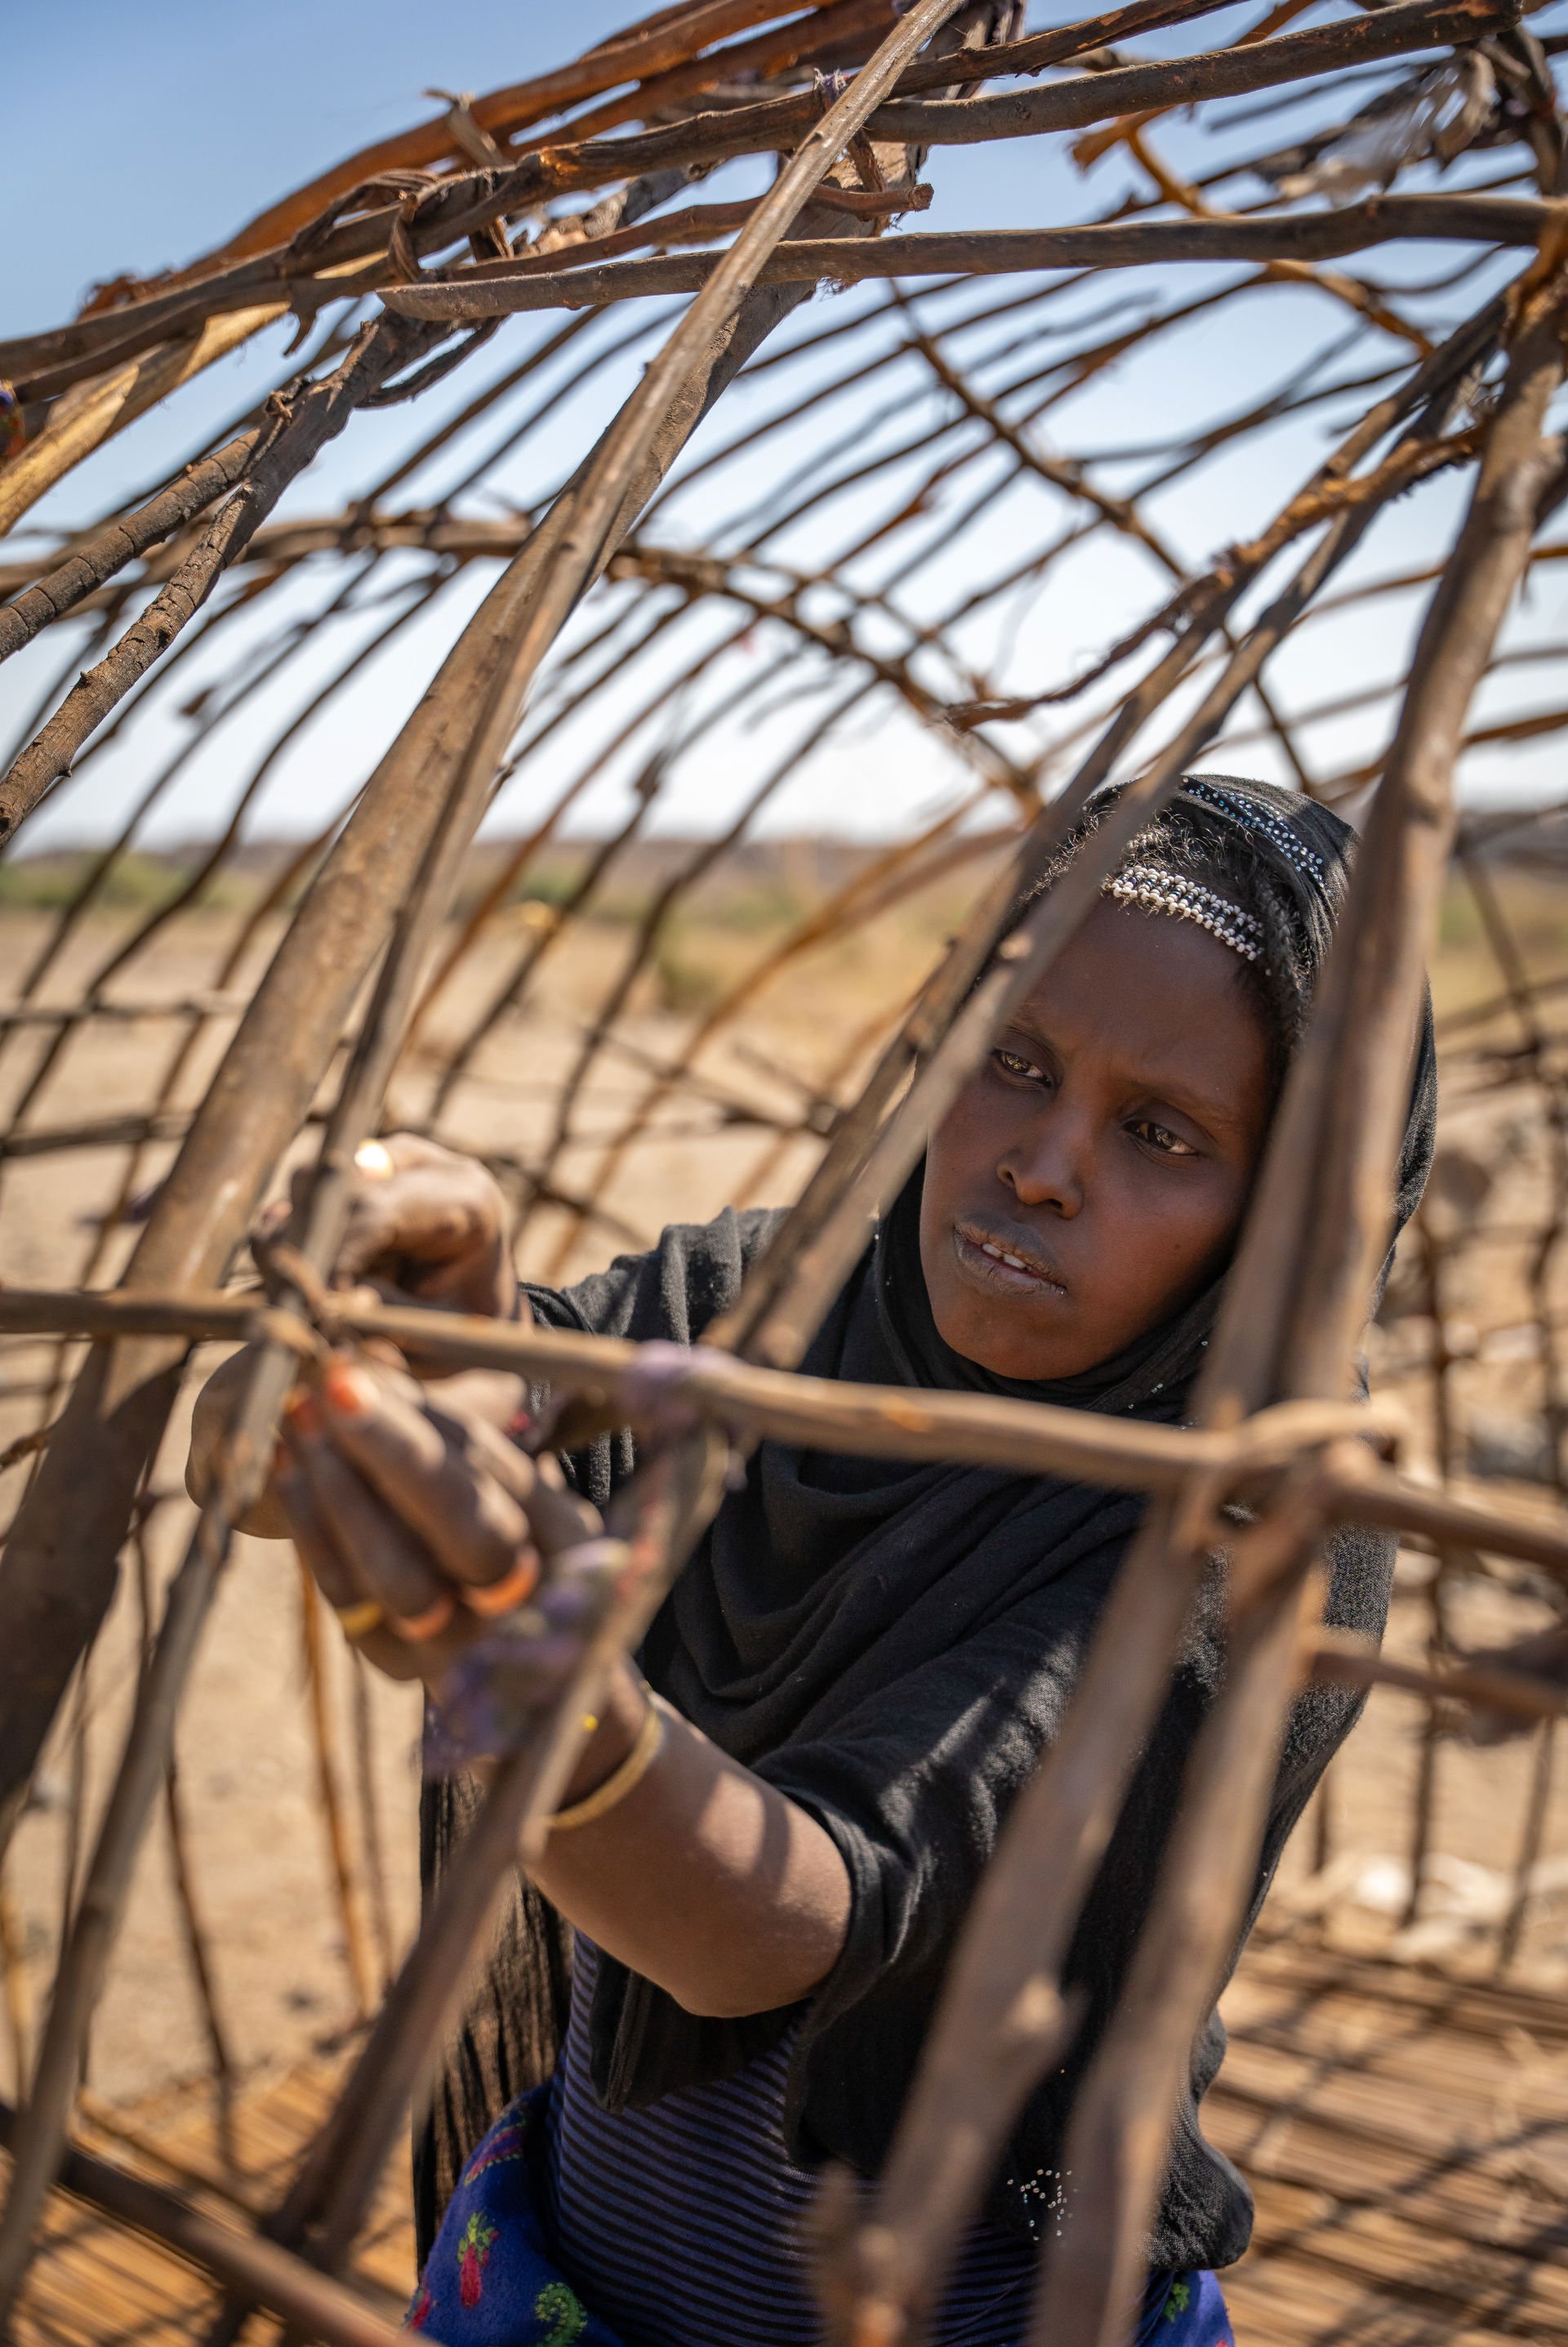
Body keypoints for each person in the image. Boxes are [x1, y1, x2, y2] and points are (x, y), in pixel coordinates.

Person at [189, 774, 1435, 2347]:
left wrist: (526, 1670)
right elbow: (252, 1457)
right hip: (570, 2286)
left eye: (1161, 1131)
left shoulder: (1250, 1530)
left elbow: (755, 1934)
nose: (1043, 1161)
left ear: (1286, 1216)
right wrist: (382, 1332)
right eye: (1014, 1060)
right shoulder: (771, 1310)